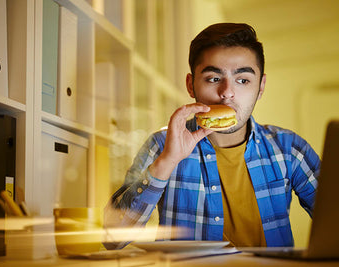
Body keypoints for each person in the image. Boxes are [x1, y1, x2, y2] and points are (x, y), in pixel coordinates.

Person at [103, 23, 320, 249]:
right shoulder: (162, 145)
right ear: (191, 85)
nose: (227, 92)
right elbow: (112, 240)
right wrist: (166, 162)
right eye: (213, 79)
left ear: (261, 86)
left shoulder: (289, 148)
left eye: (243, 80)